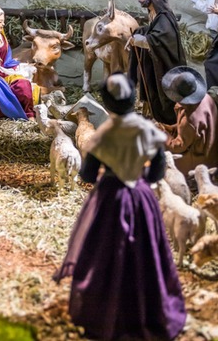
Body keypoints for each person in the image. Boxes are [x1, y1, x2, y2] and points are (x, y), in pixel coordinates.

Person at [54, 73, 186, 340]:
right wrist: (138, 177)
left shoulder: (104, 134)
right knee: (146, 249)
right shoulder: (147, 130)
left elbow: (88, 174)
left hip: (110, 198)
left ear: (108, 103)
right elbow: (157, 172)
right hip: (139, 196)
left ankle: (105, 309)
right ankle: (147, 307)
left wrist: (110, 171)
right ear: (133, 99)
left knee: (105, 248)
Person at [127, 0, 187, 125]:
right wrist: (140, 33)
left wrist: (138, 40)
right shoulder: (155, 16)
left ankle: (170, 126)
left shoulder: (164, 17)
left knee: (166, 99)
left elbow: (161, 38)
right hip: (157, 68)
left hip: (167, 69)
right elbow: (153, 31)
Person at [160, 66, 218, 173]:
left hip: (200, 162)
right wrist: (170, 128)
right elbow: (196, 130)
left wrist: (163, 134)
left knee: (159, 154)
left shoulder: (189, 121)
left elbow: (178, 147)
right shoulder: (206, 98)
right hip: (212, 153)